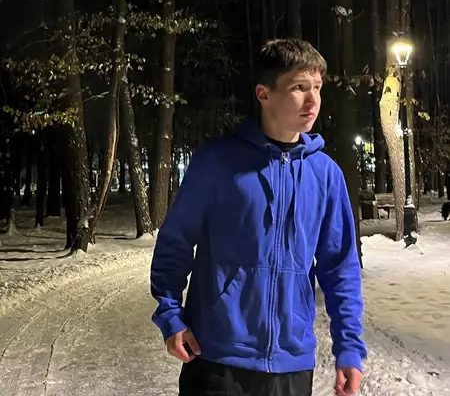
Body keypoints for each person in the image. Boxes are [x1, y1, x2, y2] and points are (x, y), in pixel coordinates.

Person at [151, 39, 367, 396]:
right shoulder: (217, 162)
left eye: (317, 87)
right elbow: (176, 240)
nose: (312, 100)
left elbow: (340, 267)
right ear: (264, 94)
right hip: (216, 359)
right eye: (299, 87)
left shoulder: (326, 174)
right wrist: (170, 314)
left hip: (292, 364)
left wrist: (349, 348)